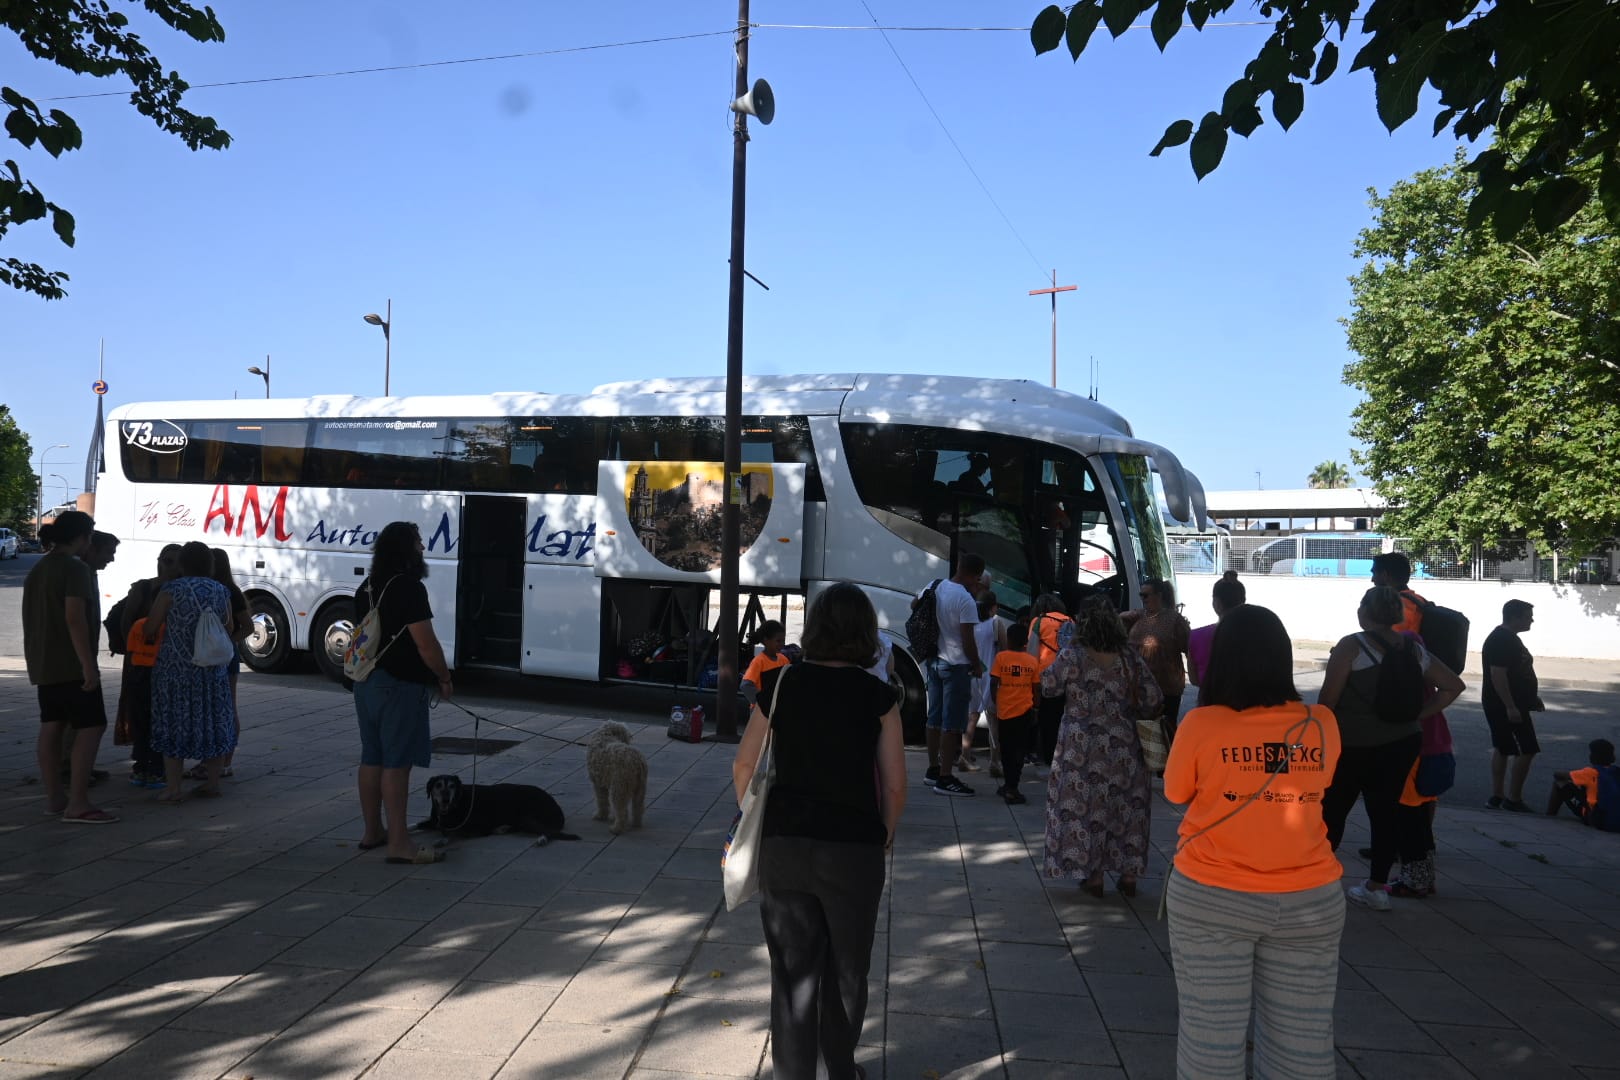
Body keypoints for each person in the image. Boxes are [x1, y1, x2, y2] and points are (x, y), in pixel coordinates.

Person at [732, 582, 905, 1080]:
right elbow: (895, 785)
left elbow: (743, 765)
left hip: (785, 843)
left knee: (792, 973)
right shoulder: (880, 697)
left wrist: (755, 816)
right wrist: (886, 833)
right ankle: (839, 1068)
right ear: (866, 634)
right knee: (847, 969)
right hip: (852, 848)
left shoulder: (781, 684)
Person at [1163, 604, 1345, 1080]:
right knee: (1303, 1041)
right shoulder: (1321, 722)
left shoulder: (1202, 724)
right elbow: (1322, 783)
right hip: (1311, 899)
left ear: (1221, 659)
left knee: (1210, 1037)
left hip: (1211, 896)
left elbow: (1176, 792)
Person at [1317, 586, 1463, 910]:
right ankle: (1376, 888)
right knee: (1385, 813)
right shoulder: (1412, 648)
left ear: (1363, 613)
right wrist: (1417, 715)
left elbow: (1328, 701)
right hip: (1402, 741)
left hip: (1353, 743)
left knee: (1334, 811)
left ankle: (1317, 884)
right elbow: (1453, 685)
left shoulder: (1351, 646)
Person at [1041, 595, 1159, 897]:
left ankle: (1093, 877)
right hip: (1125, 745)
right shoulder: (1129, 656)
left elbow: (1049, 687)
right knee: (1128, 809)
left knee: (1086, 810)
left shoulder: (1073, 654)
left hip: (1080, 747)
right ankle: (1129, 875)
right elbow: (1153, 697)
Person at [353, 520, 454, 865]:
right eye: (417, 542)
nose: (423, 548)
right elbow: (426, 643)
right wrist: (443, 677)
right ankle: (399, 842)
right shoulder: (409, 588)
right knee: (397, 764)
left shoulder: (367, 586)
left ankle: (373, 832)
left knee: (372, 757)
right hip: (398, 686)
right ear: (404, 549)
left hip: (366, 683)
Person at [23, 510, 118, 823]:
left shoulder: (39, 568)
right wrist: (88, 665)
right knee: (91, 726)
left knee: (52, 725)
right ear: (82, 537)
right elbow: (74, 617)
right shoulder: (74, 568)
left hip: (43, 661)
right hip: (70, 662)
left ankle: (55, 798)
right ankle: (78, 802)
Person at [144, 541, 236, 802]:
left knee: (174, 724)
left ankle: (173, 788)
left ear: (182, 563)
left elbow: (151, 627)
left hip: (175, 670)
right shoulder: (221, 590)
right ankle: (212, 783)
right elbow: (229, 627)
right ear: (210, 564)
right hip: (211, 671)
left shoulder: (171, 590)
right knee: (213, 723)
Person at [914, 552, 985, 797]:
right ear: (976, 576)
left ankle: (932, 769)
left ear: (958, 567)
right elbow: (967, 640)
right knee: (952, 723)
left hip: (934, 660)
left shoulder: (935, 585)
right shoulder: (965, 599)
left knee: (933, 718)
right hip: (956, 666)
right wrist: (976, 664)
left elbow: (914, 605)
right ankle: (945, 778)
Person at [117, 544, 183, 788]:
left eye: (174, 561)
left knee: (162, 717)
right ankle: (142, 765)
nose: (168, 566)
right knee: (141, 715)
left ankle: (156, 766)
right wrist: (136, 652)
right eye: (165, 560)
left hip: (168, 665)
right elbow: (127, 622)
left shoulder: (180, 590)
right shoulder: (143, 588)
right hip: (142, 664)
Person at [61, 530, 119, 784]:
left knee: (84, 721)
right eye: (108, 552)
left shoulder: (88, 573)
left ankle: (79, 765)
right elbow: (75, 620)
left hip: (85, 657)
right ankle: (69, 769)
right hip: (76, 660)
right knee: (82, 721)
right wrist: (86, 663)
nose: (111, 559)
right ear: (91, 549)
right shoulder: (77, 574)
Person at [1483, 599, 1541, 812]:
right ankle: (1513, 799)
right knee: (1527, 748)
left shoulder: (1507, 638)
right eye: (1528, 617)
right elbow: (1497, 675)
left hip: (1511, 703)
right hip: (1505, 705)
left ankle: (1497, 797)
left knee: (1503, 747)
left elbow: (1518, 672)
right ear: (1514, 617)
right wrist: (1510, 706)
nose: (1532, 621)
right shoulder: (1502, 639)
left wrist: (1532, 698)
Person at [1121, 579, 1191, 743]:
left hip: (1166, 688)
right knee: (1139, 736)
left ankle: (1169, 760)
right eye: (1141, 595)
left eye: (1146, 595)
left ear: (1159, 595)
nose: (1143, 599)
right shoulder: (1137, 616)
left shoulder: (1175, 620)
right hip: (1138, 688)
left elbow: (1189, 648)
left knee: (1164, 735)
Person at [989, 622, 1039, 804]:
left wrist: (996, 701)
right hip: (1024, 711)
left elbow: (994, 682)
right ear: (1026, 642)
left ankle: (1009, 786)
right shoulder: (1032, 661)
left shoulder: (1001, 657)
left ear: (1008, 640)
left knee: (1006, 749)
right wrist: (1036, 708)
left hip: (1005, 712)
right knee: (1019, 751)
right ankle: (1012, 786)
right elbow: (1036, 687)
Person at [1025, 592, 1073, 766]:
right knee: (1061, 718)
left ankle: (1045, 756)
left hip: (1045, 677)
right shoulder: (1070, 621)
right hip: (1067, 676)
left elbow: (1031, 652)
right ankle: (1061, 754)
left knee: (1044, 719)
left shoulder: (1038, 621)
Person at [962, 588, 1001, 774]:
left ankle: (964, 756)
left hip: (972, 673)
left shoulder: (970, 623)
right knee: (993, 720)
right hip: (991, 675)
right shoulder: (996, 623)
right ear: (993, 607)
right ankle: (995, 762)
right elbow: (1004, 651)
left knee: (972, 717)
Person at [1187, 570, 1245, 691]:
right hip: (1247, 701)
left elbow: (1194, 680)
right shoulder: (1258, 635)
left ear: (1216, 603)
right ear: (1243, 602)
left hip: (1209, 700)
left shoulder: (1196, 636)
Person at [1546, 738, 1615, 822]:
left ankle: (1549, 816)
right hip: (1614, 816)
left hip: (1594, 817)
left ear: (1592, 757)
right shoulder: (1616, 771)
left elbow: (1558, 775)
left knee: (1559, 783)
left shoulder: (1591, 772)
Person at [1371, 551, 1424, 634]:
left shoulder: (1396, 608)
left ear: (1384, 575)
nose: (1372, 580)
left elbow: (1388, 640)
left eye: (1374, 574)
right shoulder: (1420, 600)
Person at [740, 620, 789, 706]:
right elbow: (745, 685)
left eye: (783, 641)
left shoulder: (784, 660)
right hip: (762, 709)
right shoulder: (759, 661)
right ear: (766, 640)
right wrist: (762, 702)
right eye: (778, 641)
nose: (782, 644)